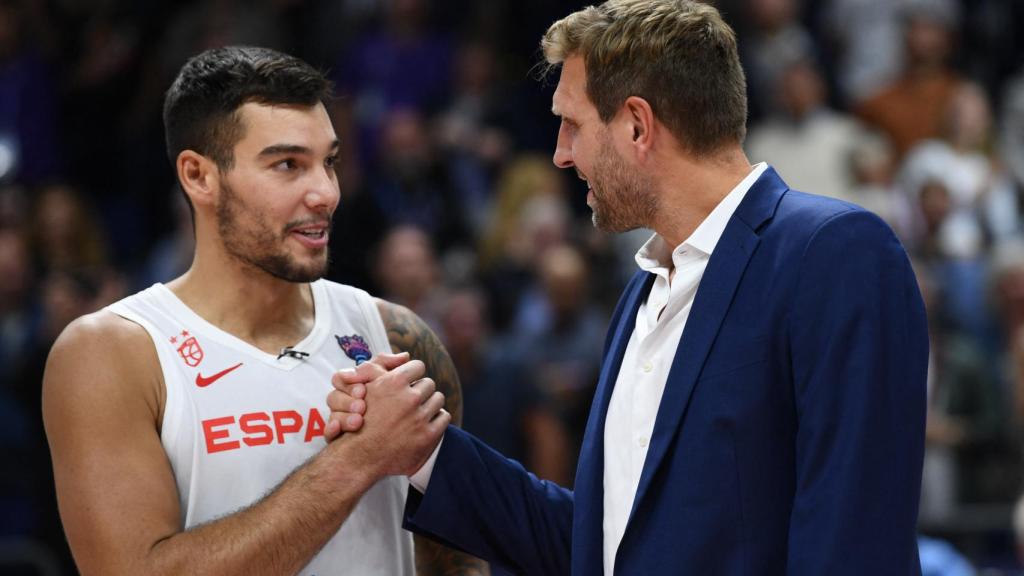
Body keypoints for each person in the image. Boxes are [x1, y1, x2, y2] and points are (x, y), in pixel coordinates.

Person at [328, 1, 929, 574]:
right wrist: (426, 453)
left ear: (638, 125)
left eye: (571, 124)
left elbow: (856, 540)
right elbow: (605, 545)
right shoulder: (641, 295)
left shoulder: (834, 251)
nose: (561, 154)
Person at [41, 46, 487, 575]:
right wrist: (355, 460)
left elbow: (458, 558)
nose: (325, 193)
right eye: (287, 165)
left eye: (329, 162)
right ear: (199, 176)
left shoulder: (399, 336)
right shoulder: (111, 353)